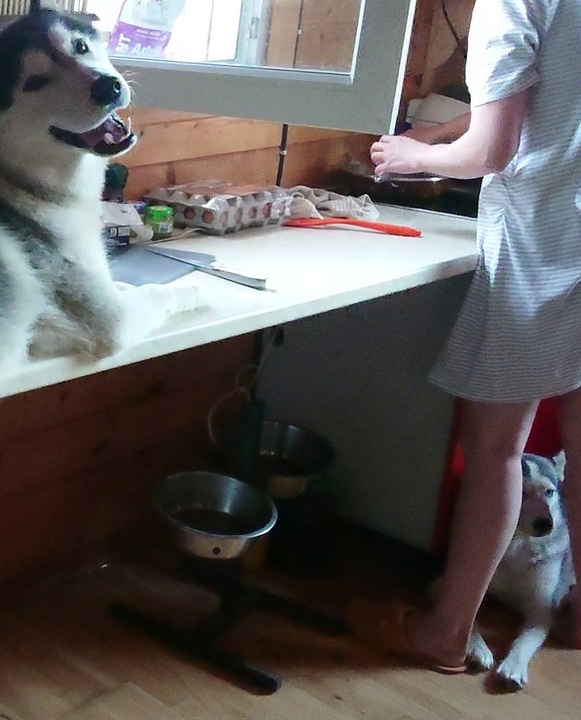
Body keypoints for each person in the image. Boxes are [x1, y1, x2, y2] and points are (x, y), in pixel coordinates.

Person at [346, 0, 581, 670]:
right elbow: (541, 98)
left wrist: (419, 155)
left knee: (495, 451)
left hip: (545, 244)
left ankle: (445, 632)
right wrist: (431, 137)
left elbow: (493, 150)